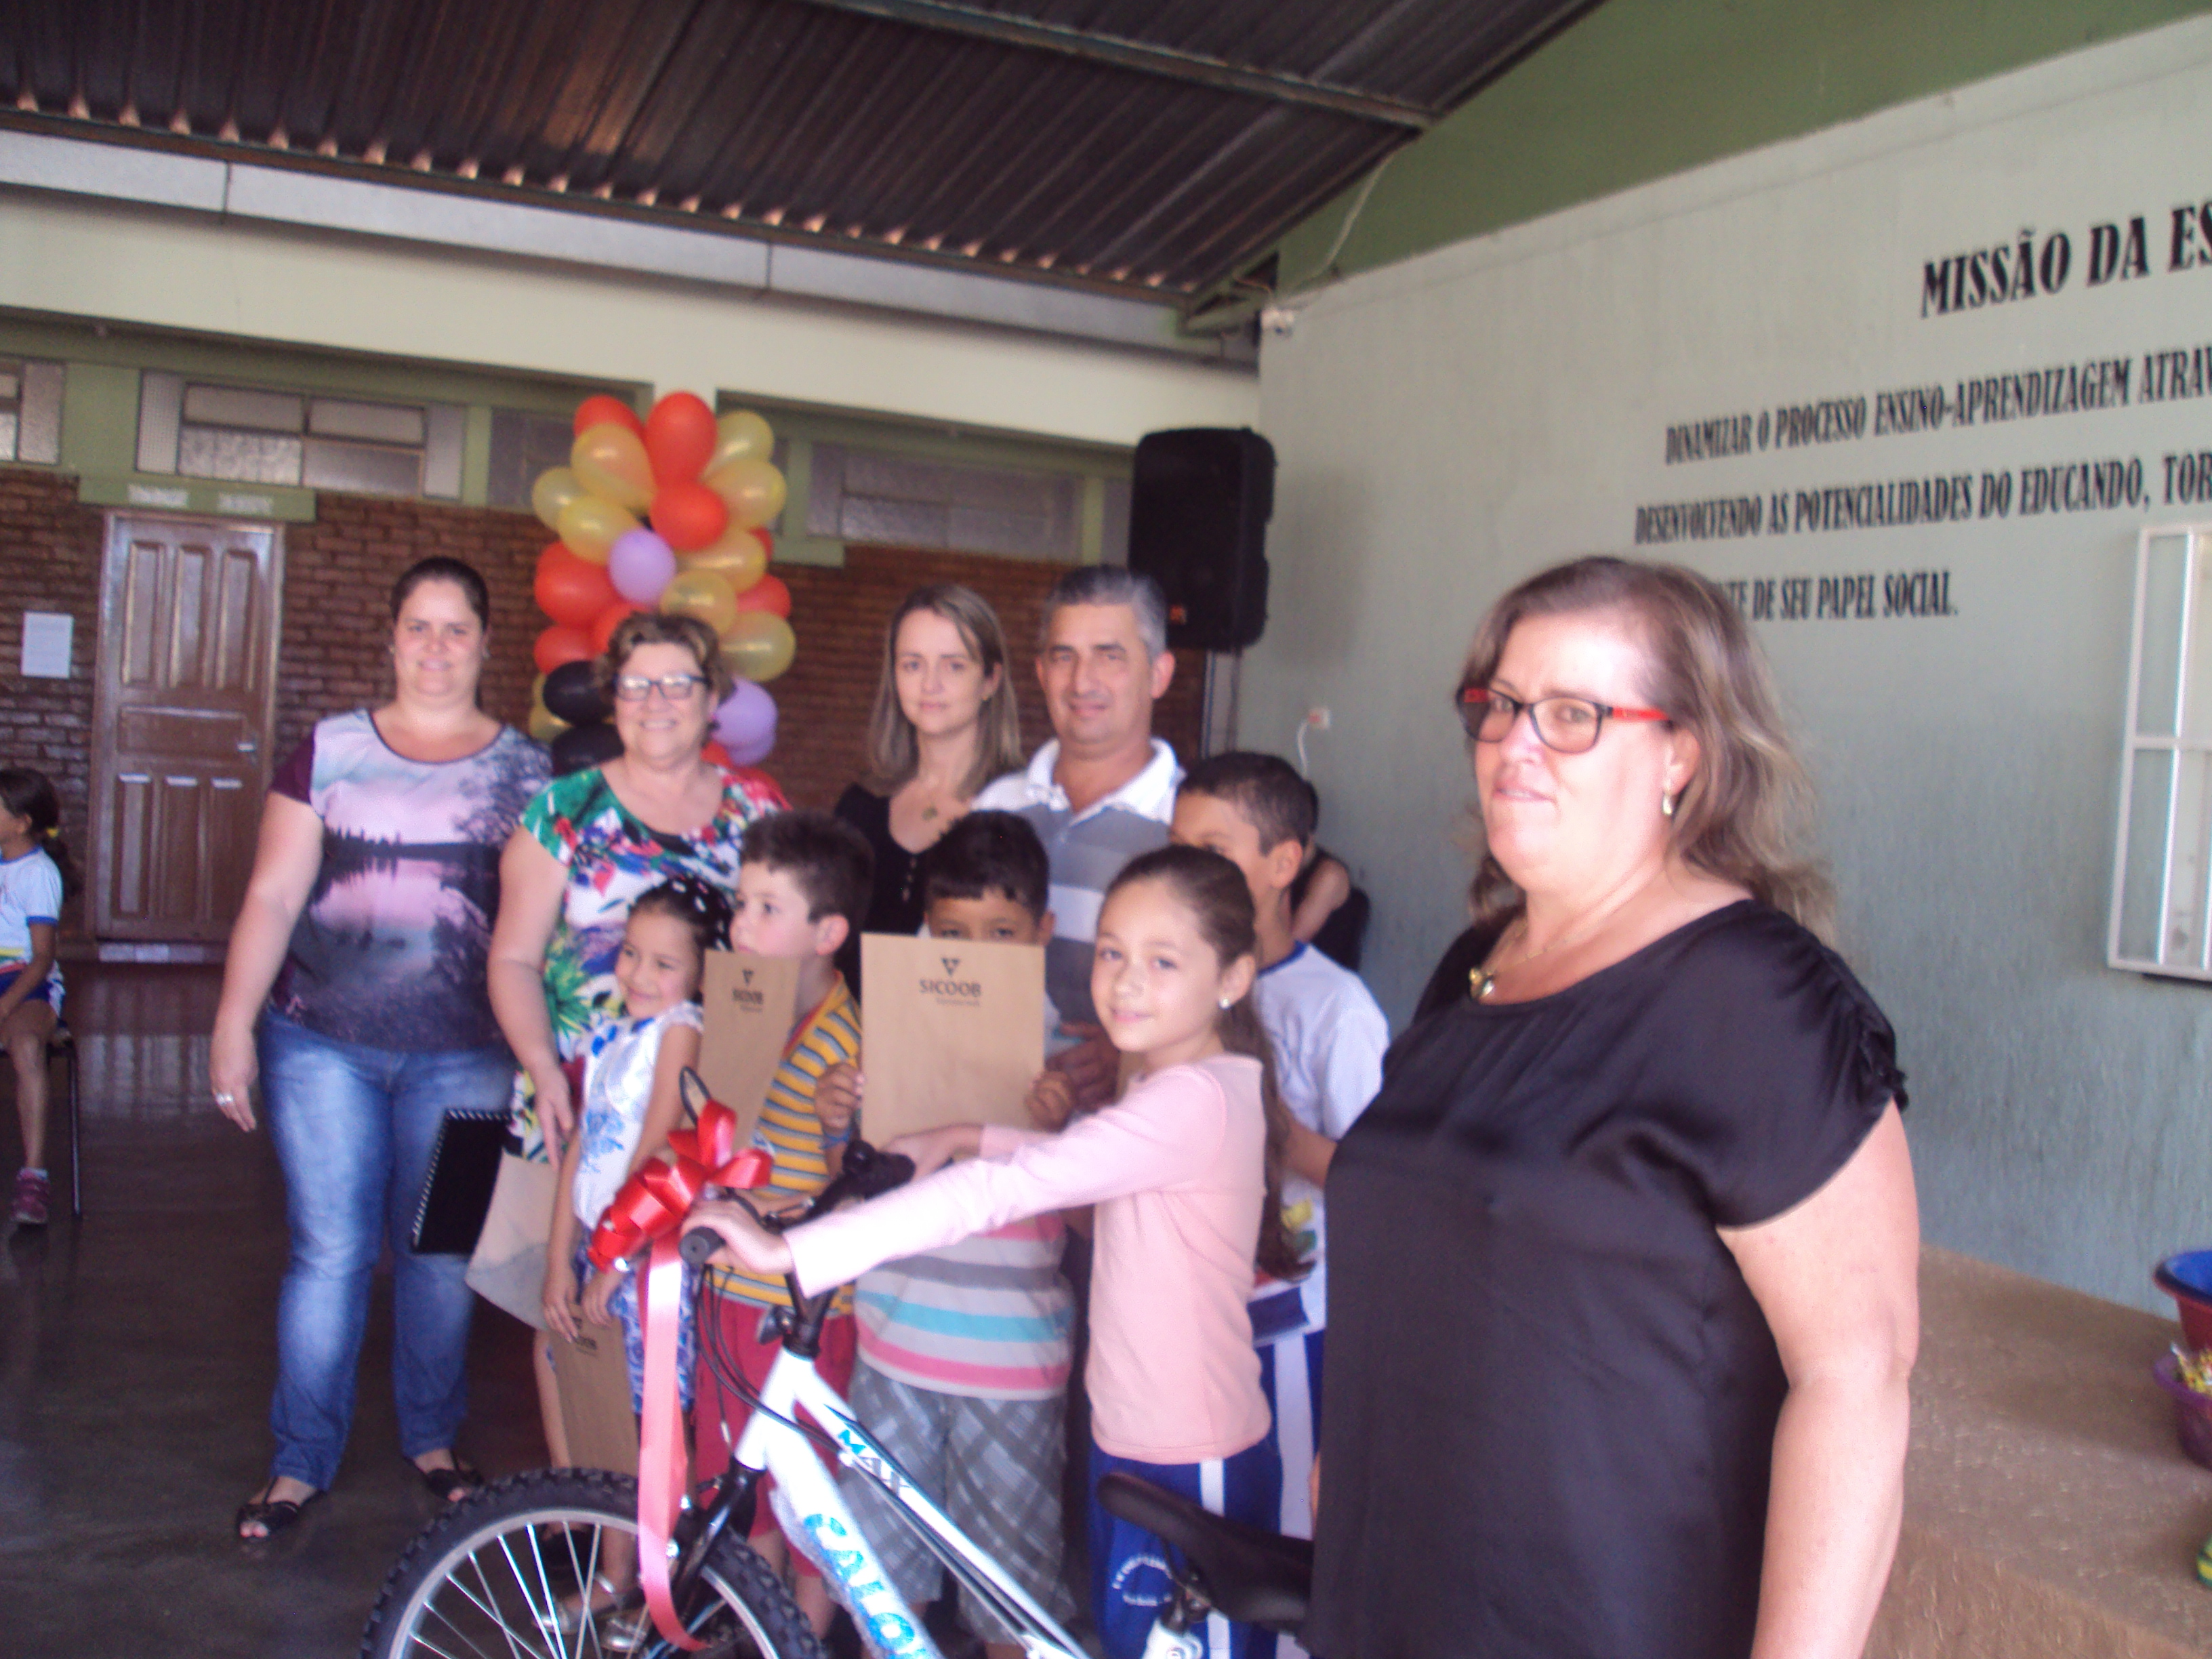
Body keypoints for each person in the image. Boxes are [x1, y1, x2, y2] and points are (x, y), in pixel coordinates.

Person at [1306, 556, 1918, 1659]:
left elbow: (1855, 1376)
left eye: (1572, 714)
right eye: (1496, 707)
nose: (1513, 745)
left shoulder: (1753, 999)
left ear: (1679, 751)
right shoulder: (1473, 968)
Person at [691, 844, 1304, 1659]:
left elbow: (1009, 1190)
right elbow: (1083, 1170)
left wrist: (790, 1252)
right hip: (1141, 1439)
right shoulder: (1179, 1084)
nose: (1125, 981)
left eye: (1162, 961)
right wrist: (963, 1134)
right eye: (1113, 953)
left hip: (1192, 1460)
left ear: (1232, 977)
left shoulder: (1191, 1099)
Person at [211, 557, 552, 1540]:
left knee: (441, 1253)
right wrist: (234, 1022)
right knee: (329, 1253)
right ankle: (299, 1460)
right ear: (392, 638)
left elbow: (538, 935)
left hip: (470, 1056)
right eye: (419, 627)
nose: (436, 648)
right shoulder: (327, 750)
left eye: (456, 629)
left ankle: (433, 1438)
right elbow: (274, 897)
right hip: (321, 1048)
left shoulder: (530, 773)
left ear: (487, 644)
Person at [487, 610, 785, 1458]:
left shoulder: (756, 809)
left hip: (703, 1125)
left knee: (682, 1328)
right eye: (636, 684)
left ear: (713, 697)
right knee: (563, 1316)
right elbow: (509, 957)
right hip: (573, 1105)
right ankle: (587, 1517)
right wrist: (545, 1070)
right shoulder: (564, 809)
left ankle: (664, 1532)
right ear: (613, 699)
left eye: (678, 683)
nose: (657, 701)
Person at [828, 811, 1080, 1659]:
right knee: (881, 1586)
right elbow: (862, 1179)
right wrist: (845, 1120)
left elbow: (1093, 1209)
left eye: (1001, 933)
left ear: (1043, 933)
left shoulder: (1075, 1060)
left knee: (1010, 1597)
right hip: (893, 1347)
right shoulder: (891, 1032)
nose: (974, 952)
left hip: (1010, 1366)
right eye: (952, 932)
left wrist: (1062, 1133)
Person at [1170, 753, 1387, 1568]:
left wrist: (1276, 1133)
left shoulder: (1336, 1007)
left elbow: (1377, 1183)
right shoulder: (1175, 982)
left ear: (1284, 862)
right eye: (1176, 846)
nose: (1189, 870)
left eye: (1215, 850)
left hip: (1292, 1325)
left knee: (1282, 1544)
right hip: (1187, 1315)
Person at [694, 809, 872, 1638]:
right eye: (741, 904)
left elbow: (857, 1192)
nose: (742, 925)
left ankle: (804, 1634)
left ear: (828, 931)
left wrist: (841, 1128)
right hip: (727, 1290)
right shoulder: (734, 1014)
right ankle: (762, 1633)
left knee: (809, 1500)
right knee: (743, 1482)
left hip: (803, 1314)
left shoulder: (851, 1042)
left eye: (769, 908)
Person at [539, 878, 727, 1641]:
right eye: (630, 955)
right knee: (608, 1413)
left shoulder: (680, 1028)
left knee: (647, 1422)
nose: (640, 976)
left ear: (700, 975)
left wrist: (615, 1255)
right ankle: (617, 1570)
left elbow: (659, 1143)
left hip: (643, 1254)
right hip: (599, 1246)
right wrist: (563, 1260)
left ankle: (651, 1579)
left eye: (665, 964)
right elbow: (581, 1146)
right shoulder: (611, 1033)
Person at [974, 566, 1181, 1103]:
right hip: (992, 1123)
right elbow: (943, 963)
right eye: (1064, 656)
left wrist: (1137, 1053)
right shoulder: (998, 807)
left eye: (1110, 656)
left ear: (1158, 674)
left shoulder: (1189, 821)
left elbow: (1232, 993)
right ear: (1041, 672)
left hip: (1120, 1145)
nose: (1082, 681)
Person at [834, 584, 1026, 992]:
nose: (930, 685)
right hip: (848, 1045)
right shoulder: (857, 808)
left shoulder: (1021, 809)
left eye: (954, 666)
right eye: (912, 665)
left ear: (991, 680)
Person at [0, 767, 73, 1227]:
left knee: (25, 1045)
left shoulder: (38, 874)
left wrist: (6, 1007)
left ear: (23, 822)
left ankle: (34, 1175)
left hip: (25, 980)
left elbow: (43, 957)